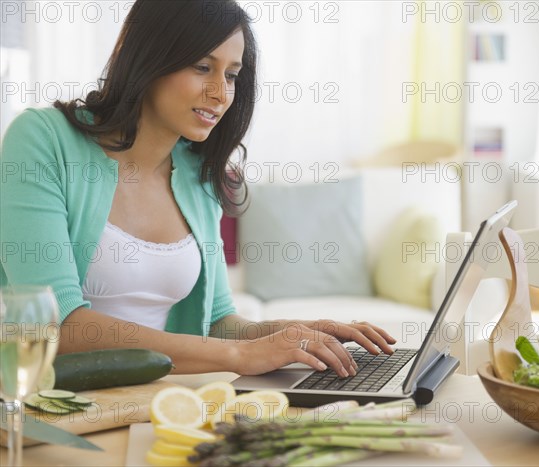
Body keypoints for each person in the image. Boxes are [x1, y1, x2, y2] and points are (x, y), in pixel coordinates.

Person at [0, 0, 396, 378]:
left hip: (161, 398)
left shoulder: (198, 172)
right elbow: (56, 324)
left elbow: (219, 321)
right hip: (58, 404)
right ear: (150, 57)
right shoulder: (42, 140)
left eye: (231, 74)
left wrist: (300, 333)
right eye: (202, 66)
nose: (221, 94)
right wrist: (240, 356)